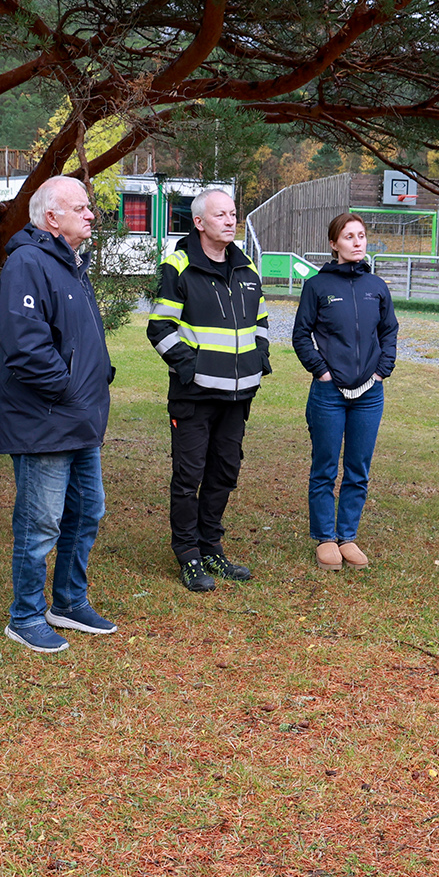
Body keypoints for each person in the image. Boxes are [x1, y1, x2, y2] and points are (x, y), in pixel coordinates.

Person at [0, 175, 119, 653]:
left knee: (87, 510)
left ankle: (68, 601)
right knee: (40, 521)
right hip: (45, 420)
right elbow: (27, 349)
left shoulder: (72, 264)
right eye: (82, 208)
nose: (91, 215)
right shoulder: (27, 262)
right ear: (52, 217)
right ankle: (24, 615)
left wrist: (96, 379)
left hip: (80, 418)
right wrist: (69, 389)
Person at [145, 188, 270, 590]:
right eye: (221, 215)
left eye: (233, 214)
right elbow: (159, 326)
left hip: (238, 396)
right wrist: (193, 368)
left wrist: (258, 360)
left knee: (224, 473)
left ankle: (211, 546)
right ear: (199, 222)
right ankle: (187, 554)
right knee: (189, 476)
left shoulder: (248, 267)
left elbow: (263, 322)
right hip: (195, 395)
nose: (230, 221)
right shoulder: (179, 266)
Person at [292, 211, 398, 570]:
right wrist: (320, 371)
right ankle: (325, 538)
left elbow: (389, 332)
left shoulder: (377, 287)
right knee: (324, 467)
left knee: (358, 468)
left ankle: (347, 536)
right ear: (334, 243)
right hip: (329, 394)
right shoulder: (317, 287)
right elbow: (300, 335)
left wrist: (383, 370)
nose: (357, 242)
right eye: (349, 236)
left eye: (361, 236)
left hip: (369, 393)